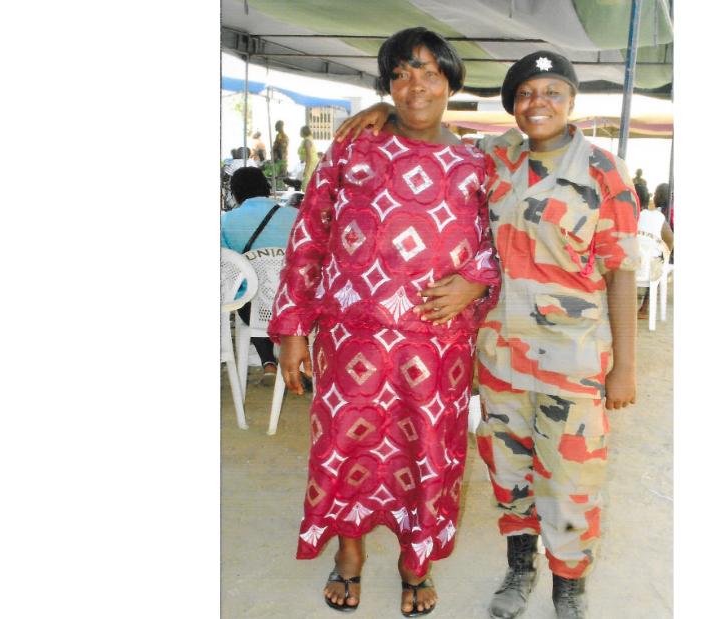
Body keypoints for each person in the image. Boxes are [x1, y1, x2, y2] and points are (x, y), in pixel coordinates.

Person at [336, 49, 640, 619]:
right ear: (513, 109)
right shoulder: (492, 158)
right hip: (499, 354)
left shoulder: (604, 170)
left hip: (572, 358)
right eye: (525, 94)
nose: (538, 103)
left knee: (573, 476)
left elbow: (621, 274)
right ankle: (519, 571)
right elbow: (432, 129)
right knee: (509, 467)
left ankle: (569, 588)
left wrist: (624, 365)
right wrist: (384, 104)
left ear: (571, 101)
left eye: (552, 91)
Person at [268, 27, 500, 616]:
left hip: (438, 346)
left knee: (425, 451)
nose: (413, 85)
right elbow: (309, 235)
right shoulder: (351, 147)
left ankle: (413, 562)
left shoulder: (479, 164)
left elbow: (503, 245)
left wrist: (477, 278)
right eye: (399, 74)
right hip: (351, 339)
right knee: (347, 446)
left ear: (450, 79)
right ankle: (348, 557)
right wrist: (293, 327)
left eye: (426, 71)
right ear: (386, 85)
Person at [220, 167, 299, 374]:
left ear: (235, 192)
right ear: (265, 187)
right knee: (272, 291)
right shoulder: (295, 216)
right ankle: (295, 360)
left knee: (249, 294)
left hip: (253, 311)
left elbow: (225, 270)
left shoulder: (226, 221)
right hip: (293, 306)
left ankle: (268, 362)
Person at [635, 182, 674, 319]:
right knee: (658, 265)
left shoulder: (630, 217)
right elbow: (670, 238)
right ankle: (644, 309)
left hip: (630, 267)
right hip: (651, 269)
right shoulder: (659, 217)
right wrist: (665, 257)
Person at [297, 125, 319, 191]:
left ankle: (307, 195)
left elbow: (309, 156)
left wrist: (306, 169)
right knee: (308, 180)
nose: (299, 133)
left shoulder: (307, 141)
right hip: (310, 161)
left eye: (300, 131)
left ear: (303, 132)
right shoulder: (307, 140)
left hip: (310, 162)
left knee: (306, 181)